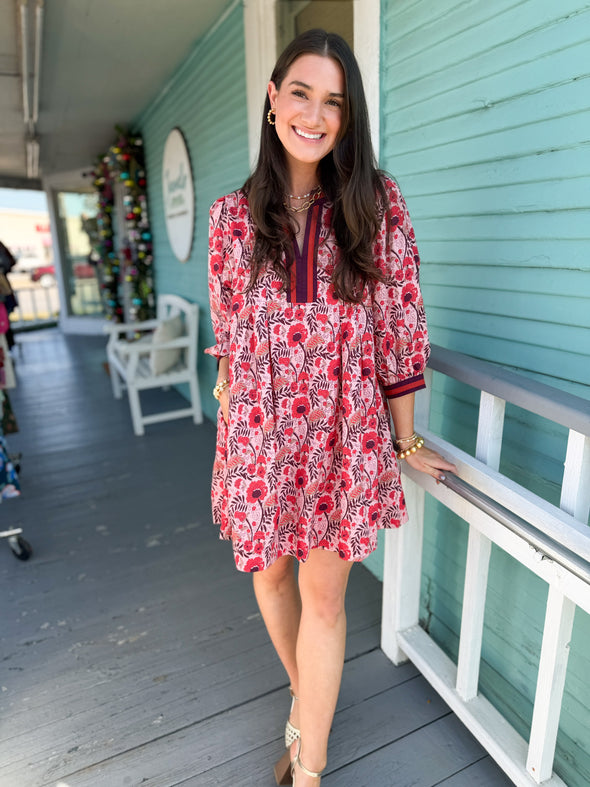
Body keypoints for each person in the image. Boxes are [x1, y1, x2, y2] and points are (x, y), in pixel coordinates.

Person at [205, 29, 456, 786]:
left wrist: (406, 442)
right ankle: (303, 689)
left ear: (350, 118)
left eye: (335, 102)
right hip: (259, 428)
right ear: (274, 99)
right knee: (270, 576)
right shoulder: (228, 218)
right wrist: (231, 425)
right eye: (302, 93)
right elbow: (229, 338)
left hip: (342, 431)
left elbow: (401, 328)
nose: (315, 114)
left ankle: (308, 766)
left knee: (323, 593)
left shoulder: (375, 205)